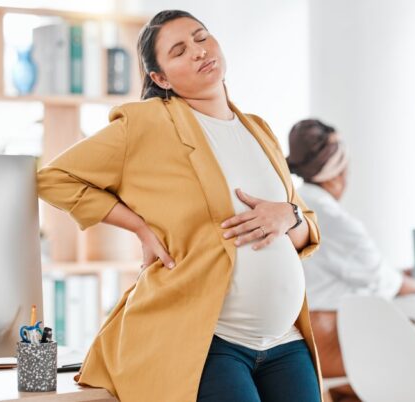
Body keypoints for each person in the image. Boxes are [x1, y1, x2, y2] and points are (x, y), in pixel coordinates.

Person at [37, 10, 322, 402]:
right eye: (179, 50)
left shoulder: (258, 128)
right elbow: (54, 178)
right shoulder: (146, 125)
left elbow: (304, 224)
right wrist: (138, 226)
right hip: (212, 343)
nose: (198, 52)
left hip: (286, 342)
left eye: (201, 37)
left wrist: (287, 215)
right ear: (161, 78)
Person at [286, 118, 415, 401]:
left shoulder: (293, 205)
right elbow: (384, 281)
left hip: (295, 334)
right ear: (337, 173)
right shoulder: (333, 219)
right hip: (330, 340)